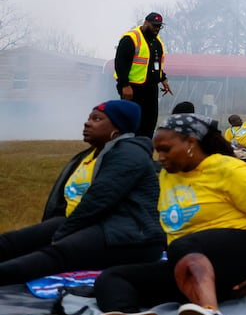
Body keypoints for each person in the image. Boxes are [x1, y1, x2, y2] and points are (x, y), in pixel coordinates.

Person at [90, 113, 246, 315]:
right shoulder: (166, 176)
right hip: (190, 266)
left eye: (166, 149)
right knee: (112, 277)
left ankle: (211, 312)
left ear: (191, 143)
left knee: (182, 246)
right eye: (157, 150)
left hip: (240, 254)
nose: (160, 157)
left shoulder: (228, 168)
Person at [0, 100, 165, 286]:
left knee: (55, 254)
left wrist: (62, 233)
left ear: (117, 130)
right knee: (14, 241)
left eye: (97, 119)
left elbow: (99, 200)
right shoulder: (94, 154)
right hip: (99, 223)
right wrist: (60, 228)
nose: (87, 123)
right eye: (89, 118)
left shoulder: (129, 154)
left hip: (133, 237)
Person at [113, 12, 172, 137]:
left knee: (149, 123)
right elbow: (120, 63)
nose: (156, 29)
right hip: (133, 89)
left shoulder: (157, 42)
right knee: (131, 123)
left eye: (159, 26)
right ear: (146, 23)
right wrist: (124, 85)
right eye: (154, 25)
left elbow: (155, 64)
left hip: (150, 89)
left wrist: (163, 78)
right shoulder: (131, 38)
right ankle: (127, 149)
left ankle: (144, 149)